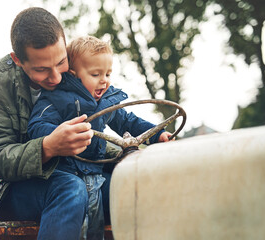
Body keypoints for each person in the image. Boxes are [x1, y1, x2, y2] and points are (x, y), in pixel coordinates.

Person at [0, 7, 120, 240]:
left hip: (79, 170)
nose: (57, 77)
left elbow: (94, 131)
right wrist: (47, 146)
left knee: (129, 185)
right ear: (17, 60)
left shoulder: (78, 67)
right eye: (41, 70)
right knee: (71, 189)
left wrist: (127, 153)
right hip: (11, 186)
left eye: (61, 63)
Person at [27, 36, 174, 239]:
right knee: (72, 195)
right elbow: (36, 127)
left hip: (96, 174)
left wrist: (157, 133)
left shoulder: (106, 101)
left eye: (107, 73)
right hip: (64, 172)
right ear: (74, 74)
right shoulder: (56, 99)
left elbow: (128, 122)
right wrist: (57, 135)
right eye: (96, 74)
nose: (104, 80)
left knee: (132, 191)